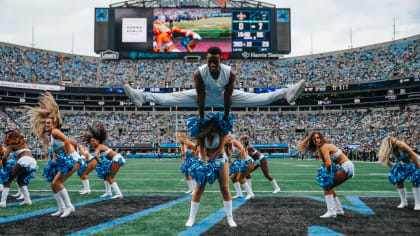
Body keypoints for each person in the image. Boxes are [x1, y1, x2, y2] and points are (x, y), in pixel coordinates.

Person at [124, 46, 306, 120]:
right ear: (206, 58)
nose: (212, 63)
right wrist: (202, 117)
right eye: (210, 60)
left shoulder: (229, 73)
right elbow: (201, 97)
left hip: (225, 96)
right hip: (201, 96)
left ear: (220, 60)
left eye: (215, 61)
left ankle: (286, 93)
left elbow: (228, 96)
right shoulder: (199, 73)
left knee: (260, 99)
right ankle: (142, 96)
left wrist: (226, 114)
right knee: (170, 98)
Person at [25, 92, 82, 218]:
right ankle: (61, 208)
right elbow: (61, 146)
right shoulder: (52, 134)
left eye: (48, 123)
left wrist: (67, 156)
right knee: (53, 184)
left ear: (54, 124)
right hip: (66, 158)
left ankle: (69, 207)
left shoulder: (55, 131)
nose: (46, 125)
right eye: (45, 123)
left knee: (57, 183)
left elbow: (66, 140)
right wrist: (56, 158)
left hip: (73, 160)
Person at [185, 111, 237, 227]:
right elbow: (202, 150)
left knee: (224, 188)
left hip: (219, 158)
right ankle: (191, 218)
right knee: (199, 189)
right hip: (205, 159)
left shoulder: (222, 132)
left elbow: (219, 149)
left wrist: (212, 161)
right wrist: (204, 163)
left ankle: (230, 218)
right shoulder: (202, 134)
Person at [297, 132, 355, 218]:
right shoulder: (322, 147)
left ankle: (331, 211)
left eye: (318, 137)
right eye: (314, 139)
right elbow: (326, 163)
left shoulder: (324, 147)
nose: (316, 140)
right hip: (346, 166)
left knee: (326, 185)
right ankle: (339, 210)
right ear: (312, 141)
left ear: (321, 138)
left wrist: (327, 174)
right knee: (329, 187)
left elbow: (328, 164)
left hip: (346, 166)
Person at [82, 121, 125, 199]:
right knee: (106, 176)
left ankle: (118, 194)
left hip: (117, 159)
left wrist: (99, 163)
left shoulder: (99, 146)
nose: (92, 143)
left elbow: (95, 155)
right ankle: (108, 192)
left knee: (110, 177)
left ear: (98, 140)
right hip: (114, 160)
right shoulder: (99, 147)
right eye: (91, 141)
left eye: (93, 141)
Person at [378, 136, 420, 210]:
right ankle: (403, 202)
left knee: (415, 181)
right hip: (403, 164)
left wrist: (419, 168)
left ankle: (417, 203)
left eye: (395, 141)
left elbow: (413, 155)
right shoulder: (388, 149)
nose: (395, 143)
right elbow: (384, 158)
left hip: (414, 162)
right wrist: (392, 168)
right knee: (398, 181)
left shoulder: (401, 145)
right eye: (393, 143)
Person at [0, 130, 37, 207]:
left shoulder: (11, 145)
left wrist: (4, 167)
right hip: (33, 162)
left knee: (8, 179)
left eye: (7, 137)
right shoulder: (23, 144)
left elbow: (4, 157)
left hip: (25, 159)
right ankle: (27, 200)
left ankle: (3, 202)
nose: (6, 138)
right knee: (20, 180)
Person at [226, 135, 254, 199]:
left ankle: (250, 193)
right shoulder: (226, 147)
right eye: (226, 138)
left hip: (246, 160)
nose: (228, 139)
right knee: (233, 177)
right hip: (238, 162)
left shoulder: (234, 142)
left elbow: (242, 150)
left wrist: (242, 161)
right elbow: (228, 157)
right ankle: (239, 193)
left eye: (229, 138)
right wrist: (229, 161)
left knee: (239, 178)